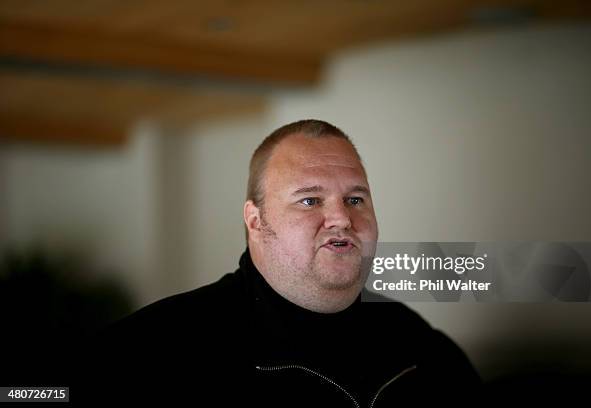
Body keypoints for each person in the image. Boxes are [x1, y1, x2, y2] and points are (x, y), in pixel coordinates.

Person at [76, 119, 480, 406]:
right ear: (255, 220)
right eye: (310, 200)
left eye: (355, 199)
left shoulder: (416, 346)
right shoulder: (161, 346)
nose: (342, 217)